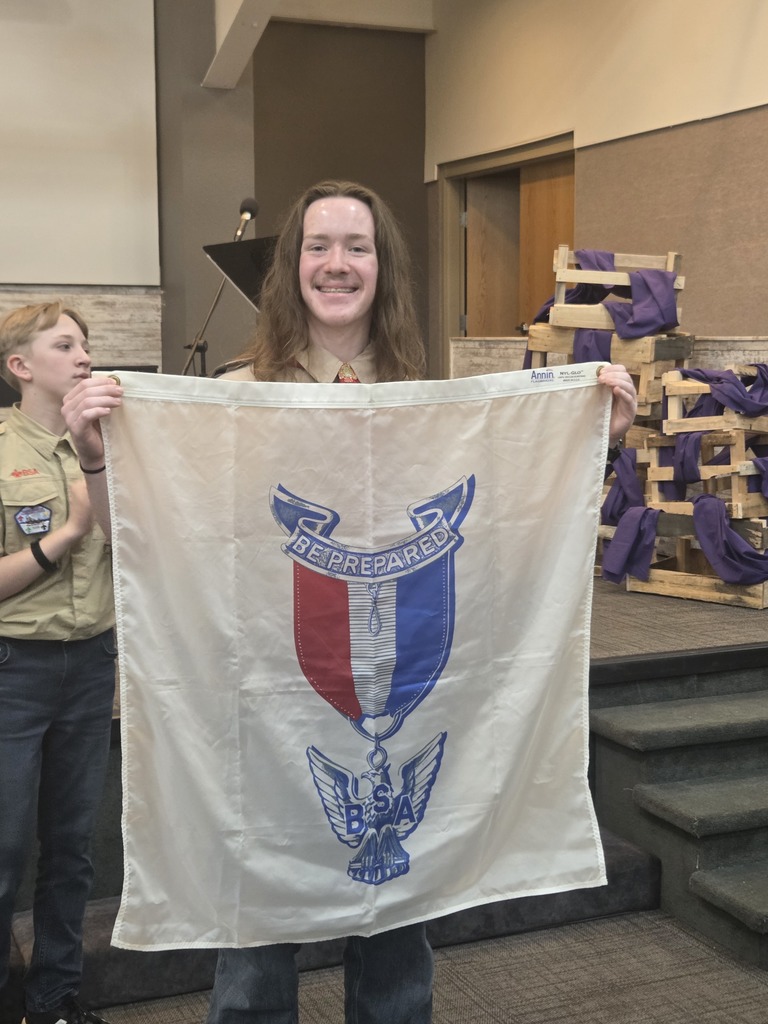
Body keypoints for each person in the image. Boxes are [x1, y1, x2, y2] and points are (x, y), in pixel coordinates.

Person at [62, 180, 638, 1023]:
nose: (337, 264)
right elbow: (147, 545)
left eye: (357, 247)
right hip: (261, 713)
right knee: (254, 968)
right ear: (292, 265)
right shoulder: (233, 395)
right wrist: (98, 456)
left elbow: (504, 541)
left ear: (382, 265)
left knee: (398, 958)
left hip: (408, 708)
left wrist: (587, 442)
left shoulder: (428, 400)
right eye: (319, 246)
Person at [0, 302, 116, 1024]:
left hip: (91, 664)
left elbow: (140, 548)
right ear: (21, 366)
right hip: (15, 669)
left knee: (72, 848)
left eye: (86, 345)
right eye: (64, 344)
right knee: (4, 848)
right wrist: (67, 533)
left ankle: (56, 1000)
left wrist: (98, 460)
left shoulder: (106, 447)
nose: (82, 356)